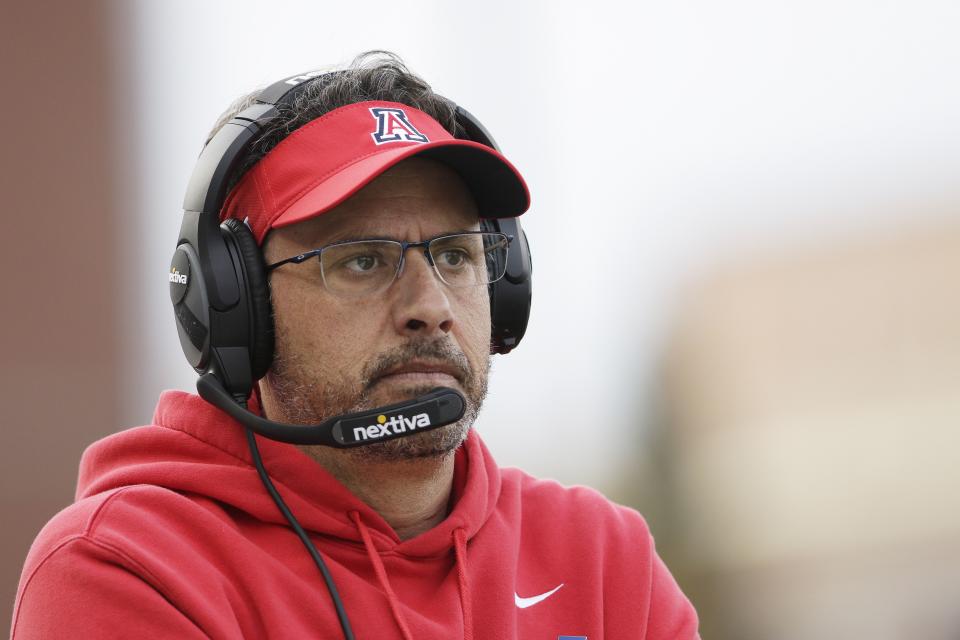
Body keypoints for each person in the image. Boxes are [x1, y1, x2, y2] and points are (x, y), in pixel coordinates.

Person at [12, 52, 699, 639]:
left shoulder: (603, 559)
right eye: (362, 261)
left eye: (456, 256)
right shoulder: (123, 568)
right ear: (235, 303)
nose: (429, 307)